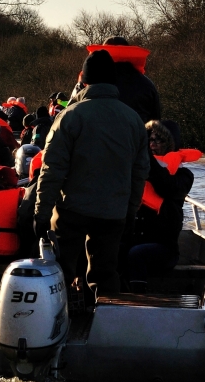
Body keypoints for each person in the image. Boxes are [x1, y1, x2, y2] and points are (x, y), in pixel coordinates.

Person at [34, 49, 150, 296]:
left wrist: (41, 214)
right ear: (113, 81)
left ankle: (60, 319)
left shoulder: (69, 117)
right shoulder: (134, 121)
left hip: (72, 211)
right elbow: (140, 172)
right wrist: (130, 211)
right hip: (114, 213)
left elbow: (52, 170)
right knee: (106, 273)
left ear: (84, 80)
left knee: (60, 271)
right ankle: (107, 323)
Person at [126, 119, 194, 293]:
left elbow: (167, 187)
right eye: (149, 140)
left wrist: (146, 158)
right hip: (132, 241)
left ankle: (138, 301)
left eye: (158, 140)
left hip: (164, 249)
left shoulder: (183, 176)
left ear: (170, 144)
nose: (152, 144)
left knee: (136, 254)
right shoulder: (134, 172)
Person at [84, 37, 161, 123]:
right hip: (138, 134)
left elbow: (73, 108)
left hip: (99, 134)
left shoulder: (91, 82)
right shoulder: (147, 84)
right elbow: (156, 121)